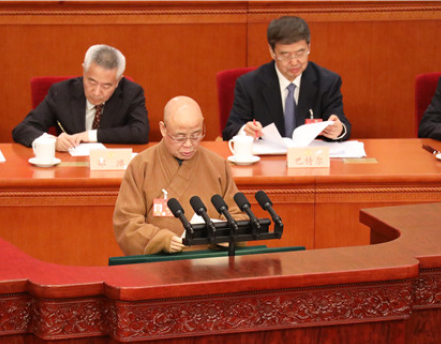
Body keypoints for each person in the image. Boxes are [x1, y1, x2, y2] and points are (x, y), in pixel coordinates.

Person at [114, 96, 247, 256]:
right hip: (158, 264)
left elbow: (238, 215)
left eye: (196, 135)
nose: (189, 144)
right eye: (180, 137)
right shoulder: (141, 166)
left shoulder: (218, 165)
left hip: (210, 260)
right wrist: (159, 240)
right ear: (163, 129)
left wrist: (226, 233)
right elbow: (127, 223)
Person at [222, 15, 351, 142]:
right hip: (268, 155)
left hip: (310, 154)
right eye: (286, 55)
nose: (294, 62)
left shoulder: (327, 81)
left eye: (300, 53)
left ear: (309, 47)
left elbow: (341, 124)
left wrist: (338, 130)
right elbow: (231, 129)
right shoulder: (249, 84)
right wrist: (245, 130)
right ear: (272, 52)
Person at [12, 44, 149, 150]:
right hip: (70, 167)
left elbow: (140, 132)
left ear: (118, 81)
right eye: (91, 81)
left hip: (110, 168)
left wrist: (90, 136)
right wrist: (53, 142)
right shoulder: (61, 92)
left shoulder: (131, 93)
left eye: (106, 86)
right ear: (84, 70)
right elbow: (23, 129)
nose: (96, 92)